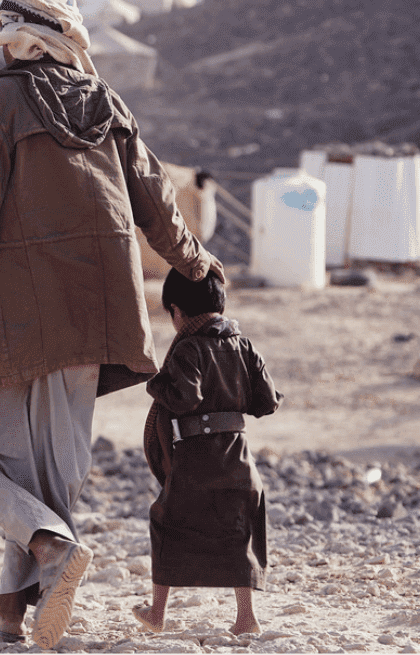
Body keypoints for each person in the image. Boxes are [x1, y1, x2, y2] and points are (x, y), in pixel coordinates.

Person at [0, 0, 226, 649]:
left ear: (19, 42)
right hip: (97, 315)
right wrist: (198, 264)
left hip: (11, 320)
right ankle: (8, 616)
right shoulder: (109, 104)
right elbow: (159, 208)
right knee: (48, 478)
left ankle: (53, 552)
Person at [134, 269, 283, 636]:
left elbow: (185, 398)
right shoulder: (245, 346)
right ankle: (246, 619)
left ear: (177, 312)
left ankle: (157, 614)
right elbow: (267, 403)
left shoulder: (187, 348)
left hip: (197, 462)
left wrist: (157, 383)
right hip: (240, 461)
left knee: (165, 522)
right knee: (240, 533)